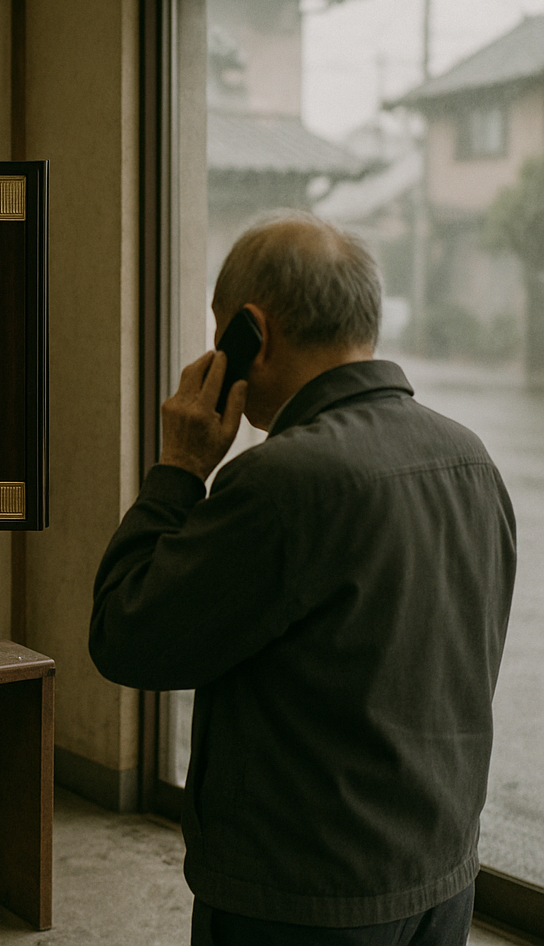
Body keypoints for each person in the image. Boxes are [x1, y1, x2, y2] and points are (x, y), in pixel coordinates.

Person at [90, 210, 516, 946]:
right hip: (441, 879)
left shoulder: (282, 482)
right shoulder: (469, 457)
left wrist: (180, 469)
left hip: (302, 897)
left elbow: (127, 635)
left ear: (251, 332)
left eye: (223, 331)